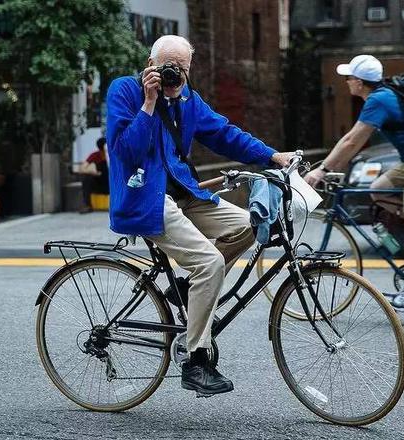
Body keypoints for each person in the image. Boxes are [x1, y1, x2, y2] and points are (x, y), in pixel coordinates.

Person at [105, 35, 293, 396]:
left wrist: (272, 156)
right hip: (145, 198)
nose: (176, 75)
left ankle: (190, 288)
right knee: (209, 263)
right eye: (169, 67)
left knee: (252, 224)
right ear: (151, 64)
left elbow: (224, 134)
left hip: (185, 193)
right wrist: (149, 102)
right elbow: (126, 152)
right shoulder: (125, 91)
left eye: (183, 69)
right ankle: (196, 360)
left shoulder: (189, 99)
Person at [304, 54, 404, 313]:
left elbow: (352, 141)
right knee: (377, 190)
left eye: (349, 77)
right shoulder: (383, 94)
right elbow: (350, 140)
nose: (346, 82)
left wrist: (322, 170)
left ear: (360, 82)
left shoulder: (379, 100)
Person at [78, 137, 109, 213]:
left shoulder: (114, 153)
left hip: (115, 182)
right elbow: (82, 169)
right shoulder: (95, 155)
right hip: (102, 183)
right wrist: (93, 173)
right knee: (87, 178)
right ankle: (87, 205)